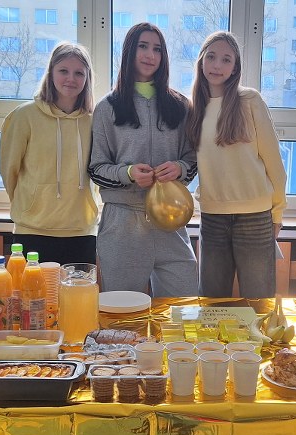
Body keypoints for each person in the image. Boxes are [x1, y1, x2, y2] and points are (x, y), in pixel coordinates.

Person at [88, 23, 198, 297]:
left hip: (171, 222)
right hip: (122, 224)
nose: (150, 55)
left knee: (182, 309)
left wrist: (179, 168)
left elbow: (193, 160)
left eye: (157, 49)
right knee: (122, 312)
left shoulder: (181, 106)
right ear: (129, 51)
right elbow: (96, 168)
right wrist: (127, 174)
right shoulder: (107, 107)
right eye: (143, 46)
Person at [184, 31, 286, 298]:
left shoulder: (249, 100)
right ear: (201, 61)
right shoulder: (192, 109)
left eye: (226, 59)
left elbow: (274, 163)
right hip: (212, 218)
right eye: (211, 57)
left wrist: (277, 214)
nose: (217, 65)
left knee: (259, 302)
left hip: (255, 217)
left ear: (235, 68)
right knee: (212, 303)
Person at [0, 43, 99, 265]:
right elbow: (8, 170)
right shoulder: (23, 116)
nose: (71, 79)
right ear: (51, 72)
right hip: (32, 230)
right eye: (63, 70)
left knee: (79, 289)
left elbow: (101, 170)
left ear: (87, 78)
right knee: (32, 290)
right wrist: (32, 202)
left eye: (79, 73)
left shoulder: (95, 121)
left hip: (81, 231)